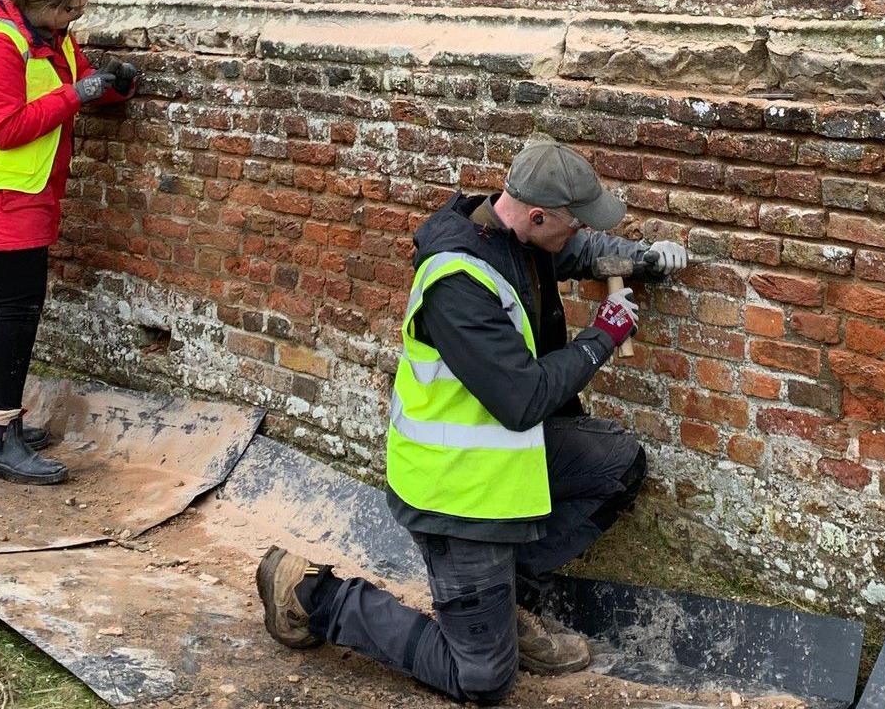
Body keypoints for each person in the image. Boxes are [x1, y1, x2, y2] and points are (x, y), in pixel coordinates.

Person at [256, 141, 689, 702]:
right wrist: (600, 338)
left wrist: (644, 255)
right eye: (573, 222)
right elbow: (523, 400)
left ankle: (501, 601)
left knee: (616, 465)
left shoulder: (517, 236)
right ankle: (313, 596)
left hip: (497, 464)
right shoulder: (458, 283)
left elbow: (580, 253)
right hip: (453, 494)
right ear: (538, 216)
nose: (578, 233)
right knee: (481, 680)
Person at [0, 0, 137, 484]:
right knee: (19, 305)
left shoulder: (46, 35)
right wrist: (78, 94)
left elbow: (77, 82)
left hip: (22, 184)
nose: (77, 18)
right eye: (71, 8)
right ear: (45, 2)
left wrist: (114, 84)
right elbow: (6, 128)